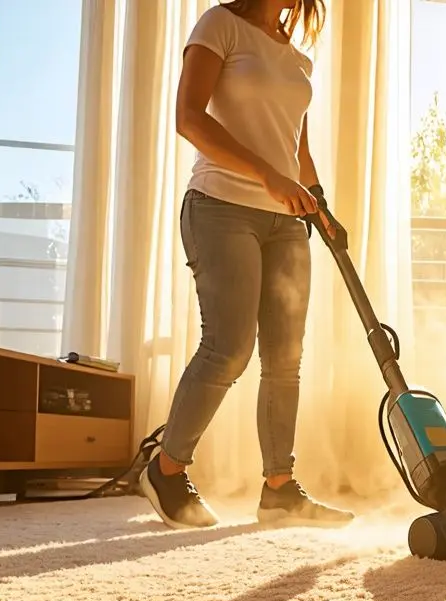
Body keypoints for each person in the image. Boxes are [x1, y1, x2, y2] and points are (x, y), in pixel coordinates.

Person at [140, 0, 354, 530]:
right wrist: (268, 177)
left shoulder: (297, 57)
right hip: (219, 207)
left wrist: (320, 203)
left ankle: (279, 488)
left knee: (286, 358)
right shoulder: (219, 25)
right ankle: (166, 469)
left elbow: (296, 148)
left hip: (285, 221)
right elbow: (188, 118)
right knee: (228, 348)